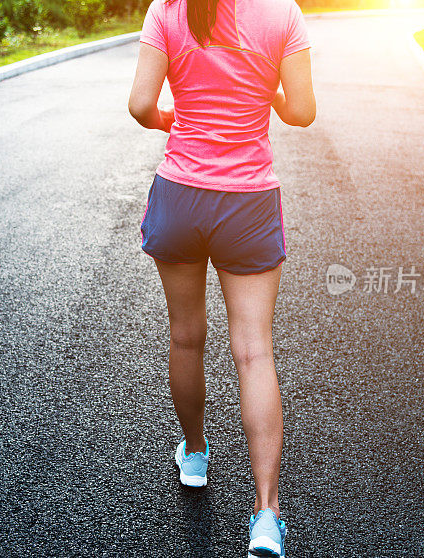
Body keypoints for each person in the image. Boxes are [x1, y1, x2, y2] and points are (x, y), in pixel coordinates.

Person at [128, 0, 315, 554]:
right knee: (254, 351)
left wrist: (172, 119)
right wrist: (268, 91)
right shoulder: (283, 13)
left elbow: (141, 105)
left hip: (180, 195)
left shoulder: (167, 9)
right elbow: (301, 111)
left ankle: (194, 454)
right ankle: (264, 516)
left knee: (186, 337)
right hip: (248, 202)